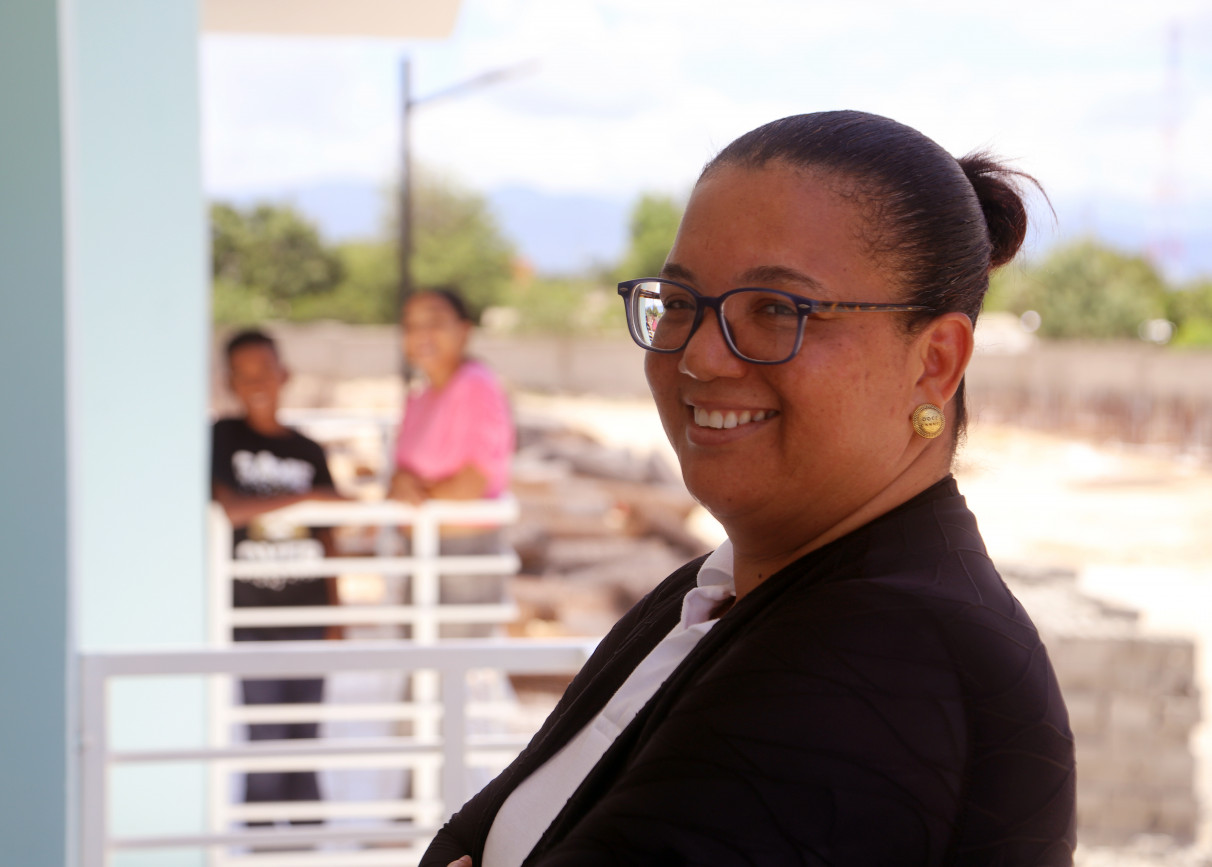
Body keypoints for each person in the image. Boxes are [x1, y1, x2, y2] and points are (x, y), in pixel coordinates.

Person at [422, 111, 1076, 867]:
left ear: (935, 362)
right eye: (679, 303)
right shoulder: (717, 590)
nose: (700, 357)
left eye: (775, 310)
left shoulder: (886, 655)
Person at [211, 329, 344, 817]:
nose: (256, 383)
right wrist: (305, 497)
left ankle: (306, 839)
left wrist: (336, 613)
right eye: (243, 375)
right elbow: (231, 509)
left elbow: (331, 533)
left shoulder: (310, 451)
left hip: (308, 613)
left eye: (264, 370)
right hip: (251, 616)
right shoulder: (223, 437)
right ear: (230, 383)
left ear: (284, 374)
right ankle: (265, 840)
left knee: (306, 738)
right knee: (264, 738)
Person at [388, 288, 515, 638]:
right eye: (411, 325)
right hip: (420, 553)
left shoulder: (476, 385)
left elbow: (471, 484)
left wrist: (413, 494)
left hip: (463, 560)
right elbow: (399, 475)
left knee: (451, 666)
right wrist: (404, 484)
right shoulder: (419, 396)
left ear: (464, 330)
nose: (422, 334)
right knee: (418, 662)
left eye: (434, 321)